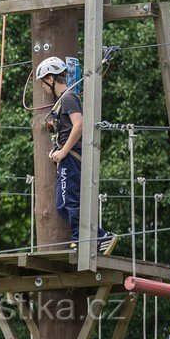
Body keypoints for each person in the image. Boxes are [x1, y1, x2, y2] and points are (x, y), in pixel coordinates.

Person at [36, 57, 117, 254]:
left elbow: (79, 124)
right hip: (66, 156)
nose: (43, 88)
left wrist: (63, 151)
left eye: (43, 83)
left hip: (71, 157)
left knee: (67, 202)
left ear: (49, 78)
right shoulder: (62, 101)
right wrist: (57, 151)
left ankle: (89, 239)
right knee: (64, 204)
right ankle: (92, 237)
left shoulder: (68, 98)